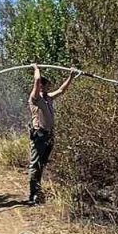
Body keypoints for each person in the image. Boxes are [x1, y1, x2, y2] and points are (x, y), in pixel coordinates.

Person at [27, 65, 77, 205]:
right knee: (35, 165)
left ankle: (38, 191)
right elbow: (36, 80)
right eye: (43, 84)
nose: (45, 86)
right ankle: (33, 195)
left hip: (49, 135)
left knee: (42, 164)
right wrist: (36, 68)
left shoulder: (48, 98)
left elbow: (62, 90)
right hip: (39, 135)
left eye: (45, 84)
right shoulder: (35, 98)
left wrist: (71, 76)